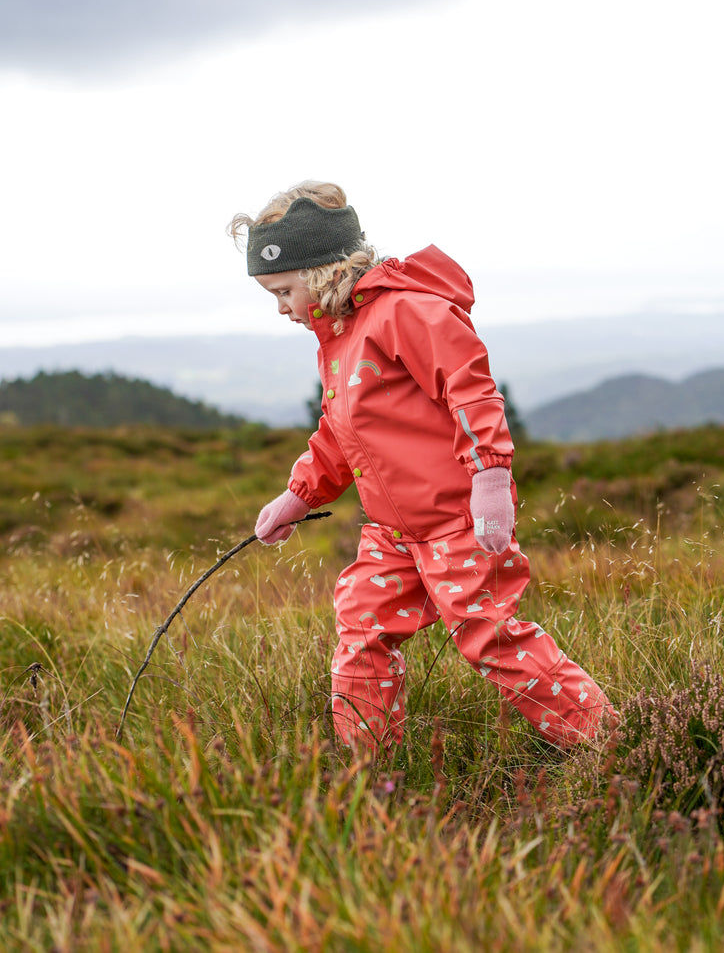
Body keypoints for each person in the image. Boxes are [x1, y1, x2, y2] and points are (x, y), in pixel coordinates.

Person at [229, 181, 614, 753]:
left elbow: (472, 391)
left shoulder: (406, 312)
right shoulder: (341, 335)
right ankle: (368, 769)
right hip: (392, 533)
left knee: (490, 638)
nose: (281, 308)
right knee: (362, 632)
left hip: (457, 523)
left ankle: (607, 741)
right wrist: (299, 494)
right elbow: (343, 431)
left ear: (318, 273)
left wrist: (490, 476)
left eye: (283, 291)